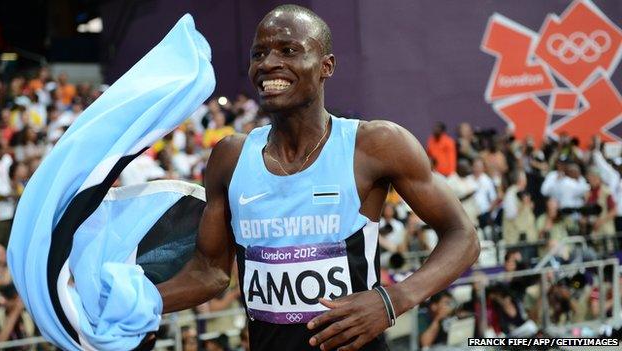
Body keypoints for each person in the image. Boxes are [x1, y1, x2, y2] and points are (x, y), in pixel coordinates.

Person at [157, 5, 479, 351]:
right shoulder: (230, 158)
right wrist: (128, 306)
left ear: (327, 66)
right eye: (259, 54)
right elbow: (210, 272)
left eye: (288, 50)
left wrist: (393, 299)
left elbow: (463, 236)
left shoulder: (375, 145)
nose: (267, 64)